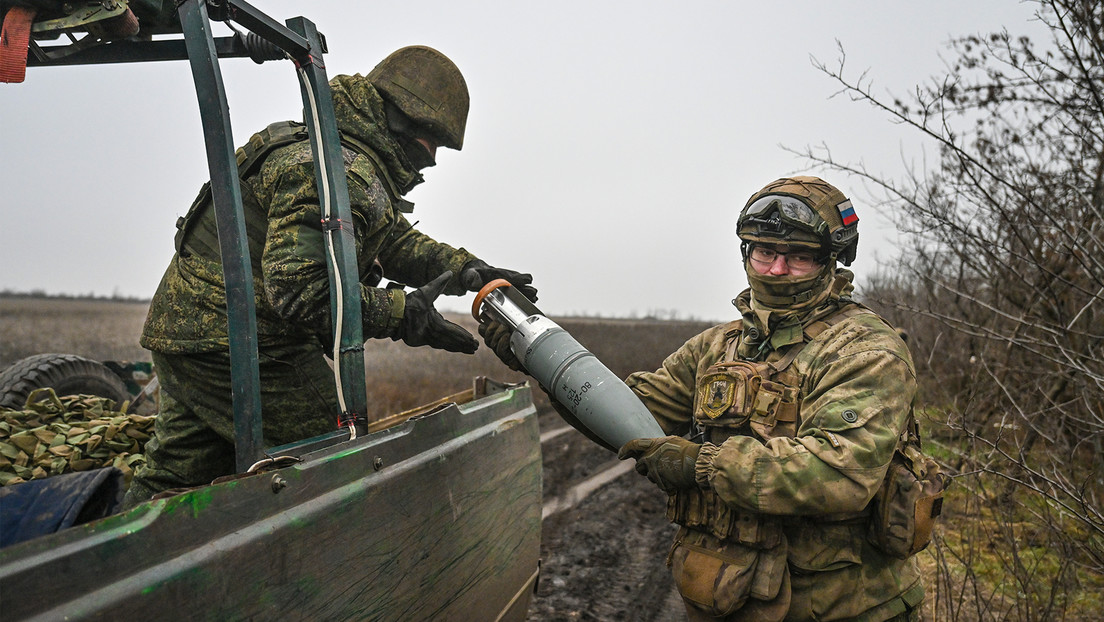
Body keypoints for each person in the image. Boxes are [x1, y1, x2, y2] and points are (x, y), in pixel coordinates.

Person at [482, 176, 924, 620]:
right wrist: (539, 358)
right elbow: (629, 415)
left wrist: (703, 464)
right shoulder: (717, 347)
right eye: (764, 252)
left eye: (798, 257)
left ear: (831, 261)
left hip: (846, 607)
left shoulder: (866, 352)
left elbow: (838, 473)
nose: (775, 269)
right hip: (732, 597)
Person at [123, 46, 535, 507]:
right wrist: (403, 314)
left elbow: (388, 237)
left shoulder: (334, 155)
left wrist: (464, 269)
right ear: (404, 123)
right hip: (242, 345)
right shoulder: (332, 169)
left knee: (175, 475)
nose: (433, 159)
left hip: (192, 334)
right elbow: (302, 291)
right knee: (334, 467)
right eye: (432, 142)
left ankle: (102, 567)